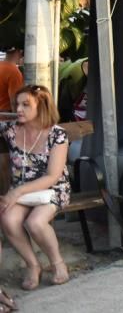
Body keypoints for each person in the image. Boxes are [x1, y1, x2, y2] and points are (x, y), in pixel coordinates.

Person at [0, 85, 70, 290]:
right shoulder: (11, 129)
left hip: (53, 190)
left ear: (42, 106)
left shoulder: (57, 134)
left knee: (36, 222)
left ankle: (57, 264)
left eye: (25, 105)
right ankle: (33, 265)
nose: (18, 109)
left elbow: (52, 176)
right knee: (7, 218)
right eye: (17, 104)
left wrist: (16, 192)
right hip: (22, 192)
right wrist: (18, 191)